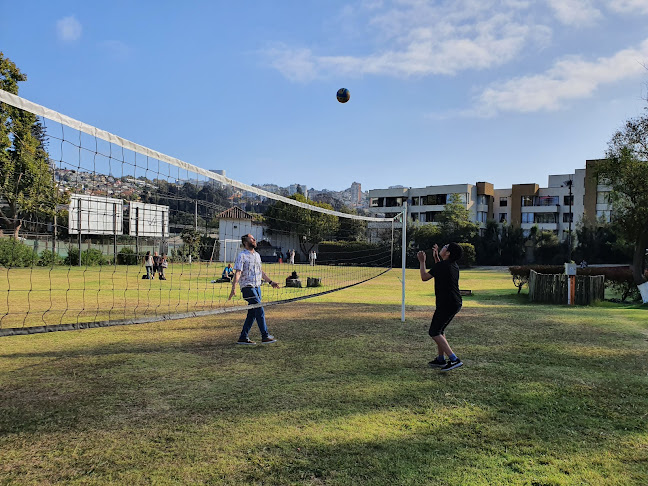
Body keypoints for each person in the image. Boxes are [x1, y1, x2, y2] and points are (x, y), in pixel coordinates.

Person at [417, 242, 464, 372]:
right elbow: (439, 267)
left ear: (448, 253)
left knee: (434, 332)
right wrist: (436, 256)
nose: (443, 247)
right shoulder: (452, 265)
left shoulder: (443, 266)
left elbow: (424, 277)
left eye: (445, 247)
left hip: (447, 304)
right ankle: (441, 359)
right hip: (454, 303)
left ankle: (454, 359)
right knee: (440, 330)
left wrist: (422, 261)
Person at [228, 234, 280, 345]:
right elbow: (238, 272)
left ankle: (243, 337)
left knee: (252, 312)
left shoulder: (257, 255)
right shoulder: (242, 255)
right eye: (252, 239)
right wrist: (234, 287)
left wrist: (271, 282)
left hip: (257, 287)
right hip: (247, 287)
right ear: (246, 243)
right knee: (259, 308)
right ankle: (265, 336)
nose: (254, 240)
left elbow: (260, 272)